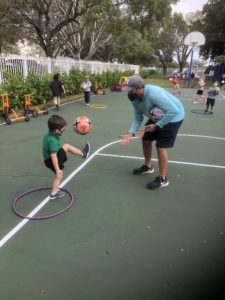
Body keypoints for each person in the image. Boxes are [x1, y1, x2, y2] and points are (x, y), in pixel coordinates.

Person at [120, 75, 185, 190]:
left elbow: (173, 110)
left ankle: (163, 179)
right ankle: (148, 166)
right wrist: (131, 133)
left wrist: (157, 125)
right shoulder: (135, 99)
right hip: (157, 116)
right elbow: (138, 117)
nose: (128, 93)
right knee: (146, 140)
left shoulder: (153, 93)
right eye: (127, 90)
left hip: (173, 117)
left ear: (139, 88)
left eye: (131, 90)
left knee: (160, 146)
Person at [43, 115, 90, 199]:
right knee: (59, 174)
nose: (64, 130)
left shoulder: (48, 135)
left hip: (48, 159)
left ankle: (83, 154)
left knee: (65, 146)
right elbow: (53, 155)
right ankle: (53, 193)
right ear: (56, 130)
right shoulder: (53, 141)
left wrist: (45, 159)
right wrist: (57, 169)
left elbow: (46, 149)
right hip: (52, 159)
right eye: (62, 129)